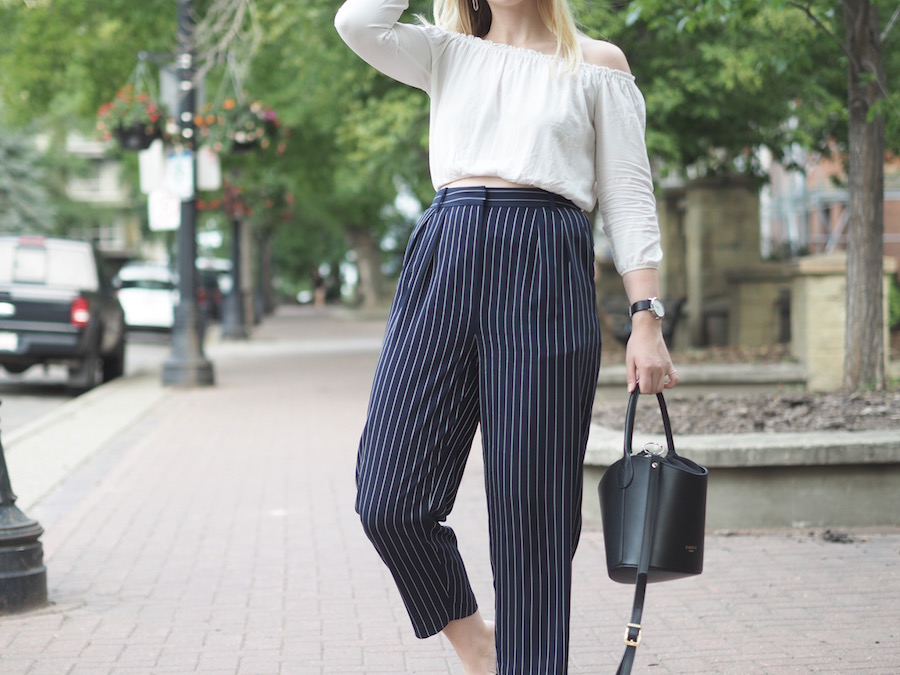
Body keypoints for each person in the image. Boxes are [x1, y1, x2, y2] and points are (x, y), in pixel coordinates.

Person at [334, 0, 678, 672]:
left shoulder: (597, 66)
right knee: (388, 498)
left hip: (547, 264)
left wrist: (647, 319)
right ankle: (478, 644)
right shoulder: (443, 52)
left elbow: (630, 197)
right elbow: (356, 21)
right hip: (447, 255)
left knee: (533, 520)